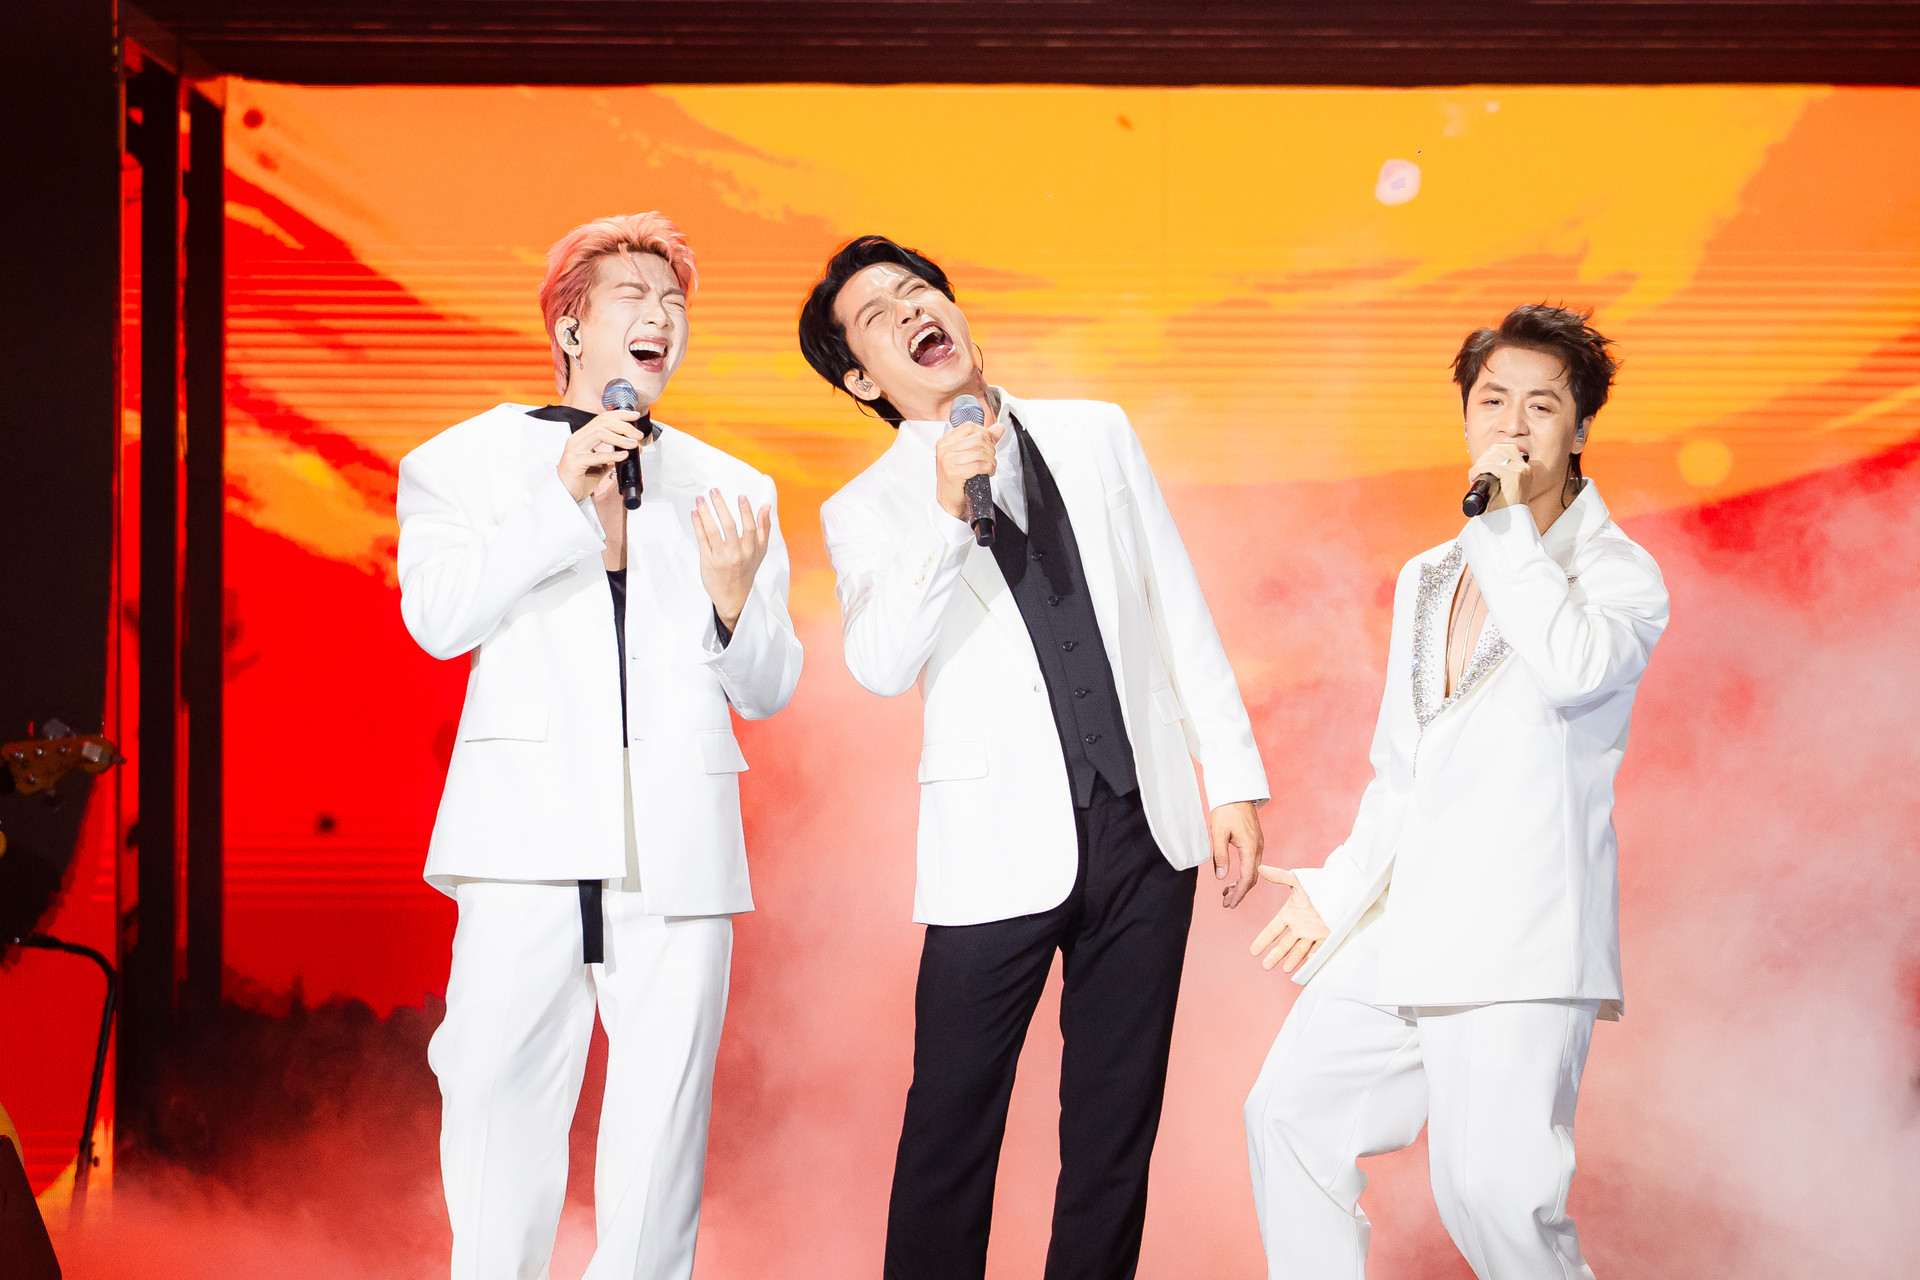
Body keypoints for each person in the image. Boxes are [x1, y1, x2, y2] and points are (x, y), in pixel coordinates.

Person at [802, 235, 1271, 1280]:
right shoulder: (865, 508)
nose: (911, 311)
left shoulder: (1095, 431)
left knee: (1112, 1133)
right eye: (877, 316)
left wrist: (1231, 776)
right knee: (951, 1127)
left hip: (1144, 829)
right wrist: (943, 511)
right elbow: (879, 663)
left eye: (918, 291)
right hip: (992, 848)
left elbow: (1173, 598)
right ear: (861, 379)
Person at [396, 212, 803, 1280]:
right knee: (493, 1110)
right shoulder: (461, 462)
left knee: (663, 1138)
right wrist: (558, 495)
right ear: (571, 326)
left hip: (678, 844)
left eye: (674, 302)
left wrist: (731, 604)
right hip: (521, 838)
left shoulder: (735, 487)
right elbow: (438, 618)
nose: (661, 315)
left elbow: (770, 686)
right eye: (635, 296)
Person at [1242, 304, 1669, 1279]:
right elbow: (1406, 763)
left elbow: (1571, 667)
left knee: (1492, 1199)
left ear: (1580, 428)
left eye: (1541, 406)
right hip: (1407, 917)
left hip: (1520, 935)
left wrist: (1508, 530)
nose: (1511, 425)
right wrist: (1341, 888)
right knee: (1289, 1117)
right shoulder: (1431, 572)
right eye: (1492, 402)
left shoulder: (1620, 576)